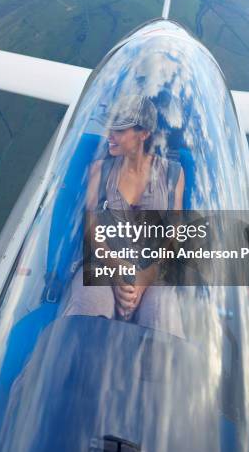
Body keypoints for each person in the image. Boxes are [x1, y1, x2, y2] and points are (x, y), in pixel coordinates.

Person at [62, 95, 185, 338]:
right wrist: (117, 270)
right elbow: (92, 230)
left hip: (154, 272)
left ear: (144, 134)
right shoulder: (99, 170)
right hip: (104, 266)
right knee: (83, 323)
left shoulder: (173, 174)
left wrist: (143, 279)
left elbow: (174, 236)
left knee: (162, 327)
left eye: (119, 130)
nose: (110, 135)